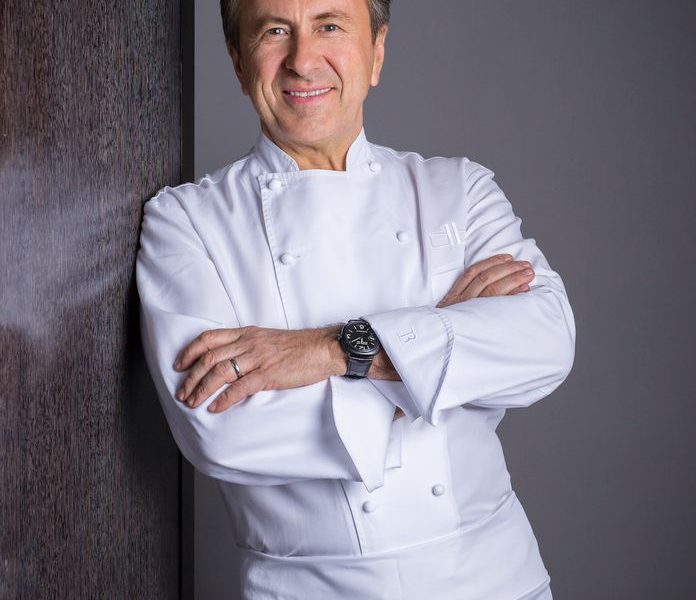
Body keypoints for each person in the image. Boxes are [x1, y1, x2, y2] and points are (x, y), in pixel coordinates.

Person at [135, 0, 575, 597]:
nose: (303, 60)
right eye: (275, 31)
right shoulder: (185, 222)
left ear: (378, 52)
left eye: (330, 26)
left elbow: (545, 341)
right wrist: (439, 353)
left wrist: (331, 349)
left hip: (497, 580)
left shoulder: (459, 189)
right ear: (238, 62)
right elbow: (220, 427)